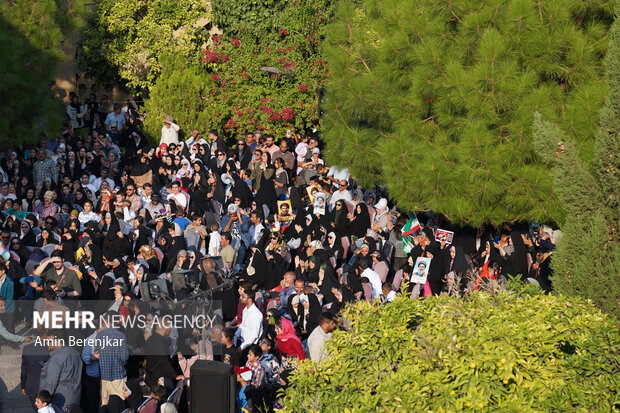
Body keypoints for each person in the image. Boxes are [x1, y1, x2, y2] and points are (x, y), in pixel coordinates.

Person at [39, 334, 83, 411]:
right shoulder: (75, 352)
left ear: (58, 341)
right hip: (75, 396)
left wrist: (42, 399)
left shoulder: (56, 358)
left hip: (61, 400)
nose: (47, 344)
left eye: (49, 341)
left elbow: (50, 383)